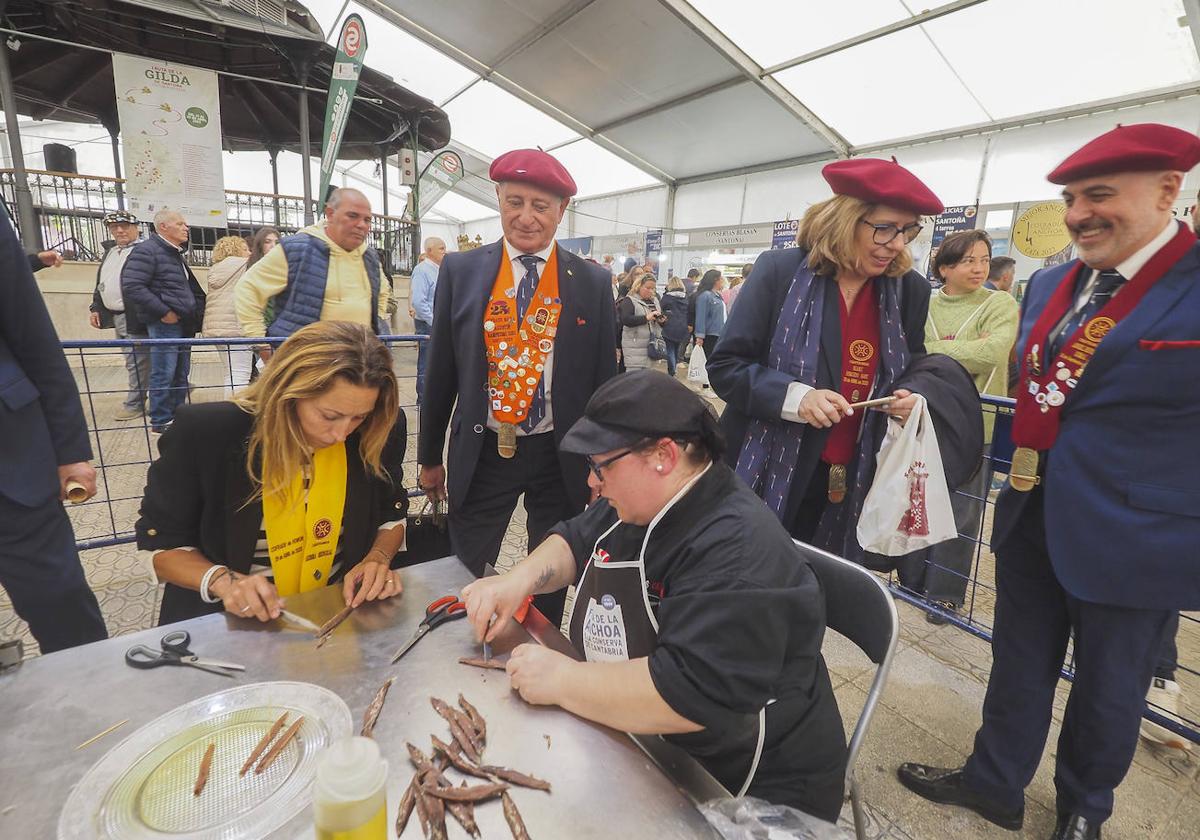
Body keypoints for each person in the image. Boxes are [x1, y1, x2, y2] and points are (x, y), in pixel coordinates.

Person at [898, 123, 1200, 840]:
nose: (1077, 214)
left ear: (1167, 191)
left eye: (1099, 195)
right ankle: (994, 783)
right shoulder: (1052, 282)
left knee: (1110, 687)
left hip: (1139, 534)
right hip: (1034, 508)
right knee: (1018, 663)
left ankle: (1083, 809)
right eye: (1070, 198)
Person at [459, 370, 848, 821]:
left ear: (663, 455)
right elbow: (573, 539)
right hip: (655, 742)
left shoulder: (737, 554)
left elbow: (686, 693)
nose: (592, 482)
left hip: (749, 787)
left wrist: (561, 679)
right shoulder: (641, 500)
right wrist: (519, 579)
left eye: (601, 466)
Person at [417, 148, 617, 626]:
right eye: (515, 202)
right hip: (484, 451)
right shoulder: (461, 271)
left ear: (561, 211)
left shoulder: (591, 281)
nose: (526, 218)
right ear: (499, 201)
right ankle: (458, 640)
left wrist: (604, 466)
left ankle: (539, 648)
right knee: (464, 560)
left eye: (540, 206)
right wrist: (428, 456)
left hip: (559, 452)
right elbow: (441, 370)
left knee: (549, 566)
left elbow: (603, 384)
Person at [707, 158, 942, 561]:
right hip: (766, 466)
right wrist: (796, 398)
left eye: (909, 230)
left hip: (858, 472)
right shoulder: (779, 272)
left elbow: (914, 363)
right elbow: (726, 366)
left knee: (821, 585)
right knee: (748, 573)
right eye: (885, 228)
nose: (899, 244)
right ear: (843, 219)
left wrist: (912, 394)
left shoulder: (908, 291)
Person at [136, 321, 408, 625]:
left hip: (337, 617)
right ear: (287, 394)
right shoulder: (209, 433)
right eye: (329, 416)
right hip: (231, 626)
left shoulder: (377, 430)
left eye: (359, 417)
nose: (342, 434)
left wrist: (377, 559)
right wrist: (225, 582)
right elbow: (161, 547)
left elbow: (391, 514)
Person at [0, 204, 108, 653]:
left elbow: (31, 331)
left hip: (11, 460)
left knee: (61, 602)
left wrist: (70, 449)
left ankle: (99, 704)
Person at [917, 229, 1018, 623]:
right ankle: (913, 578)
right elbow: (916, 350)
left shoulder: (1000, 303)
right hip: (928, 417)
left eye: (984, 260)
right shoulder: (925, 303)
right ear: (944, 268)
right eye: (968, 261)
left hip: (979, 425)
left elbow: (993, 352)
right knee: (920, 499)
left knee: (963, 512)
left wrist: (936, 350)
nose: (979, 268)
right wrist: (961, 351)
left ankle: (945, 594)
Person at [235, 188, 390, 352]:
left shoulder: (370, 258)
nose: (361, 225)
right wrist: (263, 347)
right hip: (307, 365)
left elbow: (382, 293)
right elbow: (247, 289)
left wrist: (376, 323)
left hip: (358, 364)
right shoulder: (296, 250)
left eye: (367, 220)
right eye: (352, 216)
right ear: (330, 214)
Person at [120, 209, 206, 435]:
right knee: (164, 371)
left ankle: (177, 415)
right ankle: (161, 418)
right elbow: (133, 285)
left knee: (180, 372)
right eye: (180, 223)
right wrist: (163, 311)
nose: (186, 227)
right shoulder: (148, 251)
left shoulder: (173, 254)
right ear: (163, 227)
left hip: (183, 323)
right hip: (165, 323)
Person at [88, 210, 150, 421]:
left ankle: (134, 404)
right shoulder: (111, 252)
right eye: (115, 227)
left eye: (124, 226)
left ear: (136, 227)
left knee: (137, 361)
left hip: (134, 315)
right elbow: (102, 282)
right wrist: (96, 306)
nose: (120, 230)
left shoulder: (144, 250)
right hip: (116, 315)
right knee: (134, 359)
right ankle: (178, 386)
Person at [202, 235, 254, 397]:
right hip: (236, 326)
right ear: (236, 250)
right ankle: (235, 412)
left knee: (230, 374)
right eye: (245, 249)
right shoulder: (244, 265)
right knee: (241, 374)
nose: (250, 252)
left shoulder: (215, 269)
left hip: (216, 328)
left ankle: (230, 408)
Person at [409, 237, 446, 405]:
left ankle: (434, 397)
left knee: (438, 361)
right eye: (441, 248)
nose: (444, 252)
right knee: (426, 362)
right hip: (427, 324)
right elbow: (418, 301)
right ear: (429, 251)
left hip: (436, 323)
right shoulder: (422, 270)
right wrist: (435, 321)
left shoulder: (440, 270)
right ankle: (423, 400)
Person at [618, 274, 665, 371]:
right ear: (639, 286)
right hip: (635, 349)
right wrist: (646, 318)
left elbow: (658, 323)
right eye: (647, 288)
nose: (651, 291)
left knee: (649, 381)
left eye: (653, 288)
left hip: (652, 347)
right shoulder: (629, 300)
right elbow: (626, 320)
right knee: (635, 381)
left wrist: (662, 321)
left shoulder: (655, 301)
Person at [659, 276, 690, 378]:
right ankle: (674, 368)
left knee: (670, 349)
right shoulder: (686, 297)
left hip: (669, 325)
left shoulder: (667, 297)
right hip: (682, 326)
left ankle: (672, 371)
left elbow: (661, 310)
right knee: (677, 347)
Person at [694, 269, 728, 353]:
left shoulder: (718, 296)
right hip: (710, 335)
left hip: (720, 334)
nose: (722, 281)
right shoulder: (705, 296)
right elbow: (701, 316)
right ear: (715, 280)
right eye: (720, 279)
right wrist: (700, 336)